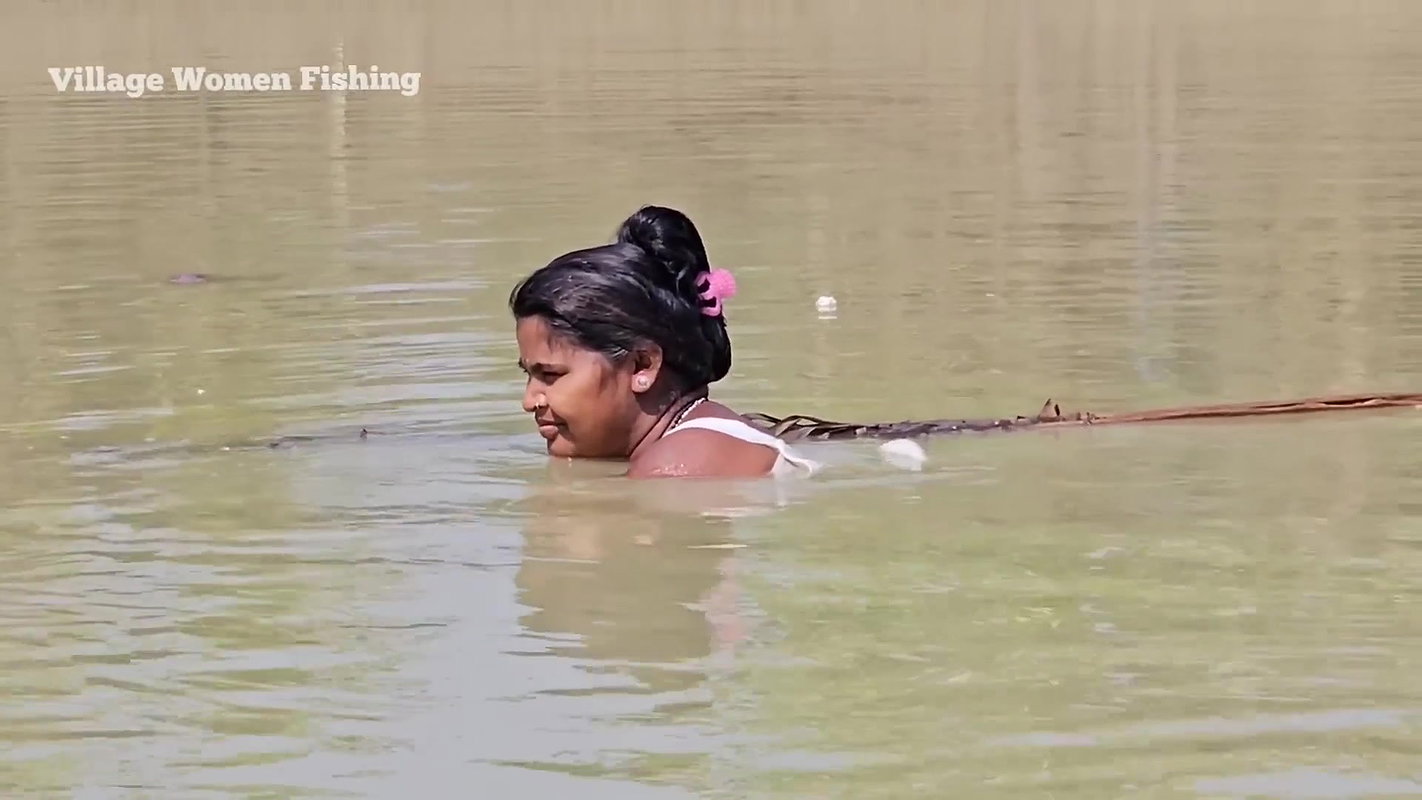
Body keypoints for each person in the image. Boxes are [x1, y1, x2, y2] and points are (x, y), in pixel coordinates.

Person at [509, 205, 819, 479]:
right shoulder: (715, 434)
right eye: (530, 375)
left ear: (642, 365)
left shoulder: (672, 468)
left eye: (550, 375)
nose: (530, 400)